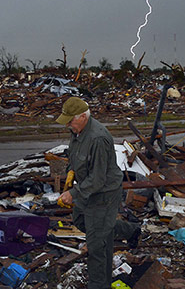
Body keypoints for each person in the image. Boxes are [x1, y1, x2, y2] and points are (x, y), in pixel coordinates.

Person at [57, 97, 140, 289]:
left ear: (84, 116)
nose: (68, 126)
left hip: (104, 193)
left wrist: (73, 193)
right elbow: (74, 154)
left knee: (97, 246)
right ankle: (130, 229)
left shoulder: (99, 138)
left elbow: (98, 178)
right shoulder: (77, 131)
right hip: (88, 189)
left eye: (71, 121)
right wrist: (71, 171)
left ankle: (99, 285)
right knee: (80, 220)